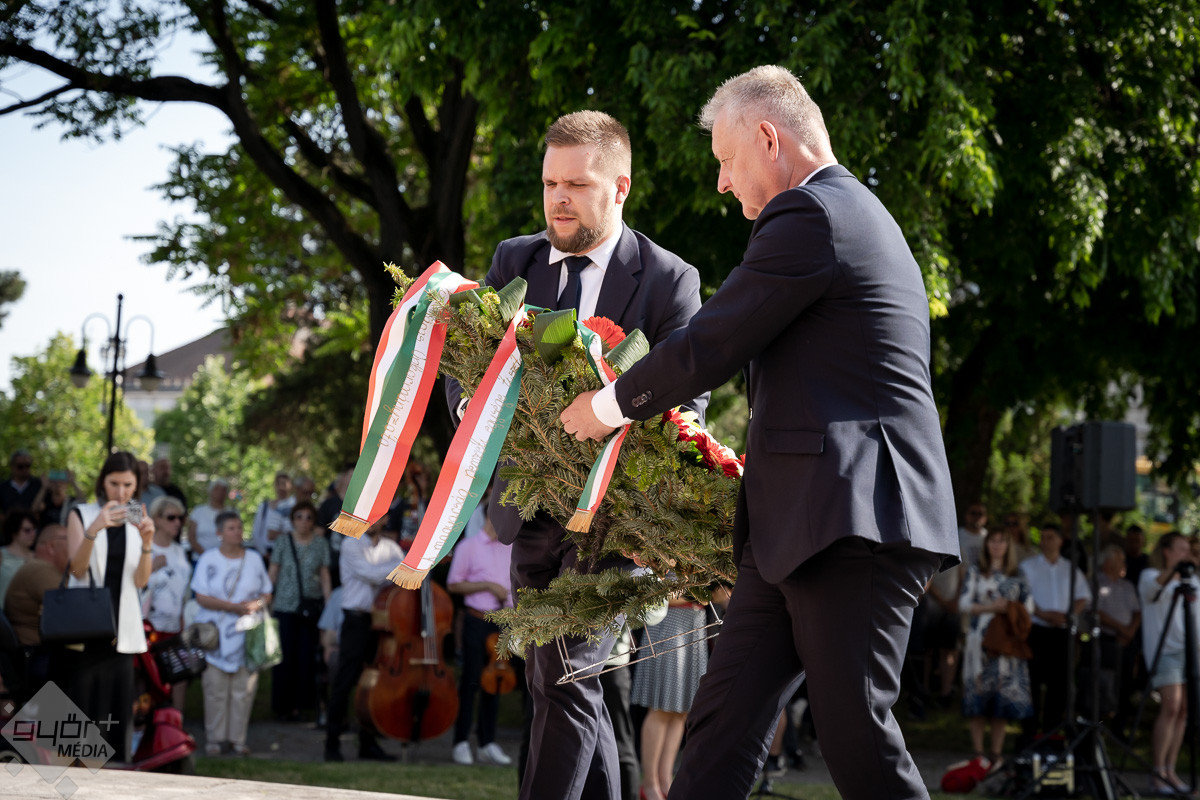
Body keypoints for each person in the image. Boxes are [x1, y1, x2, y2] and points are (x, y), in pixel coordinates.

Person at [561, 65, 959, 800]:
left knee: (856, 736)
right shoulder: (847, 212)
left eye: (726, 159)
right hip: (804, 528)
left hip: (853, 522)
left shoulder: (812, 213)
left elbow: (715, 339)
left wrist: (607, 406)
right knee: (721, 727)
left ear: (769, 139)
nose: (721, 182)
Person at [465, 108, 708, 800]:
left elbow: (688, 404)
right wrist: (471, 415)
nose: (559, 199)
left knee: (568, 679)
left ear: (620, 187)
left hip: (612, 522)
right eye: (550, 184)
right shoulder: (513, 260)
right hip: (523, 509)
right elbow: (469, 362)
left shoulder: (668, 279)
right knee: (556, 682)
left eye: (576, 184)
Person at [65, 450, 156, 763]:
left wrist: (147, 543)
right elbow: (76, 569)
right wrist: (94, 529)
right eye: (114, 483)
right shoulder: (81, 513)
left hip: (122, 633)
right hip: (84, 631)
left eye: (128, 485)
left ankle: (110, 782)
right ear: (102, 482)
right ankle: (64, 782)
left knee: (114, 731)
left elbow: (140, 581)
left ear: (137, 484)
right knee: (74, 731)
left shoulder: (137, 517)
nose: (121, 492)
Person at [190, 510, 273, 756]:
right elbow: (200, 596)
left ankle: (238, 739)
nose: (237, 532)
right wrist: (231, 607)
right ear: (219, 533)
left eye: (239, 527)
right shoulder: (209, 558)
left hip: (247, 633)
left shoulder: (254, 559)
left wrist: (256, 604)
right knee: (215, 689)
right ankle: (215, 739)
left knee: (243, 689)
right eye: (231, 528)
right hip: (215, 633)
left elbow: (267, 592)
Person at [324, 517, 404, 762]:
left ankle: (368, 744)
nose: (372, 520)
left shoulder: (391, 548)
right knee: (345, 681)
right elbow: (371, 575)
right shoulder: (351, 543)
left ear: (385, 519)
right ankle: (332, 744)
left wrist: (403, 567)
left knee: (375, 683)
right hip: (356, 620)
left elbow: (407, 576)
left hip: (382, 623)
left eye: (378, 515)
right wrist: (400, 567)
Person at [959, 529, 1033, 771]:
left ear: (1009, 546)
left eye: (1002, 541)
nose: (997, 545)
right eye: (993, 540)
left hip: (1005, 645)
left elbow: (1029, 607)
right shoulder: (975, 571)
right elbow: (963, 604)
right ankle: (978, 754)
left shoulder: (1018, 575)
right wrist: (991, 607)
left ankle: (996, 754)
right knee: (978, 698)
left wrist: (1008, 608)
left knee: (1001, 702)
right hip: (978, 644)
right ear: (986, 544)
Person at [446, 518, 517, 766]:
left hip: (503, 622)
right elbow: (454, 584)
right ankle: (461, 741)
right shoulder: (468, 546)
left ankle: (487, 742)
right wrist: (487, 585)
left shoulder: (511, 547)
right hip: (477, 620)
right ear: (491, 516)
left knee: (496, 681)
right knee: (471, 681)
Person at [632, 595, 710, 800]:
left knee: (681, 712)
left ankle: (665, 782)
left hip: (695, 623)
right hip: (669, 622)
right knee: (661, 709)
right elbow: (658, 594)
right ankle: (649, 785)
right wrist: (698, 591)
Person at [1017, 522, 1090, 741]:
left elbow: (1083, 596)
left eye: (1050, 537)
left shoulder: (1070, 568)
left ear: (1060, 541)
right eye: (1043, 537)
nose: (1045, 541)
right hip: (1036, 630)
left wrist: (1069, 614)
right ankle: (1029, 732)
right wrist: (1043, 614)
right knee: (1032, 680)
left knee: (1059, 684)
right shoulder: (1028, 566)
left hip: (1062, 633)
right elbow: (1023, 596)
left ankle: (1051, 733)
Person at [1137, 530, 1196, 795]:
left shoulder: (1192, 580)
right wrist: (1174, 570)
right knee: (1170, 706)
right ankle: (1157, 771)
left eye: (1188, 549)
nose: (1187, 554)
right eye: (1181, 549)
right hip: (1164, 651)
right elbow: (1153, 590)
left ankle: (1170, 770)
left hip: (1190, 651)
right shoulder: (1150, 575)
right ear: (1167, 551)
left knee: (1183, 711)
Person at [267, 499, 331, 721]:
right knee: (284, 657)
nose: (304, 521)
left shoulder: (320, 544)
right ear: (292, 519)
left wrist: (328, 605)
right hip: (284, 606)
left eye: (309, 517)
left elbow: (324, 575)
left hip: (309, 608)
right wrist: (266, 598)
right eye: (299, 516)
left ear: (314, 521)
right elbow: (273, 571)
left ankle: (300, 706)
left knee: (306, 657)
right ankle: (282, 707)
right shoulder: (283, 541)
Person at [3, 523, 71, 695]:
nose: (76, 545)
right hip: (37, 657)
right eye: (70, 540)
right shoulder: (40, 569)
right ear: (52, 546)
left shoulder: (40, 568)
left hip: (36, 655)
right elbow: (71, 608)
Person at [142, 495, 193, 709]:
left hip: (176, 626)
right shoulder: (144, 547)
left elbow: (185, 591)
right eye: (171, 517)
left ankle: (175, 721)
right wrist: (151, 568)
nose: (177, 522)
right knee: (148, 680)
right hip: (148, 628)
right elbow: (132, 585)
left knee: (180, 676)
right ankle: (147, 723)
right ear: (157, 519)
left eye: (180, 518)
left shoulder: (179, 551)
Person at [251, 471, 294, 559]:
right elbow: (256, 533)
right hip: (266, 553)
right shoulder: (264, 506)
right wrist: (265, 554)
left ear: (290, 486)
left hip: (288, 553)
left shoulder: (294, 507)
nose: (281, 487)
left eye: (284, 484)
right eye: (278, 484)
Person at [0, 510, 38, 609]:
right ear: (14, 532)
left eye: (34, 529)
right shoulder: (2, 555)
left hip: (28, 614)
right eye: (27, 530)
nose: (32, 534)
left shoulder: (38, 557)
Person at [187, 478, 230, 558]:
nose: (220, 492)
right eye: (217, 489)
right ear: (210, 491)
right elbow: (191, 537)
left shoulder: (231, 513)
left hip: (226, 558)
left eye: (223, 490)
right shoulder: (198, 511)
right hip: (200, 557)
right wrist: (206, 556)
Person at [0, 450, 42, 515]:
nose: (24, 469)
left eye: (27, 465)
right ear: (12, 466)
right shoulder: (3, 487)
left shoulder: (39, 485)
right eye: (20, 466)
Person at [958, 503, 988, 573]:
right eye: (973, 513)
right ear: (966, 515)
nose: (976, 517)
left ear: (985, 518)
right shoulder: (957, 536)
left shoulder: (989, 537)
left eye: (980, 514)